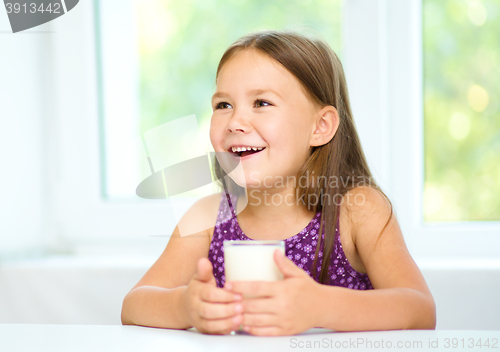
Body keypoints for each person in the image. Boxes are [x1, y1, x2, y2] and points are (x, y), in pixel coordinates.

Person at [121, 30, 436, 336]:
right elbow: (134, 306)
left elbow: (420, 310)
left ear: (320, 127)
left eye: (261, 103)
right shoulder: (207, 218)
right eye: (223, 105)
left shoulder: (358, 211)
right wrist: (184, 307)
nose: (235, 122)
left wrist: (321, 307)